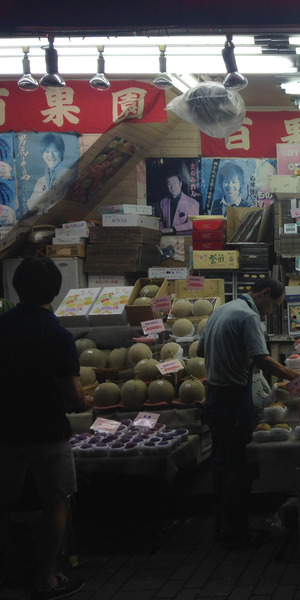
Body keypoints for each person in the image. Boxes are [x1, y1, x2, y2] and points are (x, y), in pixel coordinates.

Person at [196, 278, 300, 548]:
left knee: (221, 463)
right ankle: (235, 531)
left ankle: (222, 524)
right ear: (264, 294)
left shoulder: (221, 311)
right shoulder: (249, 316)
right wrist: (298, 377)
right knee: (238, 466)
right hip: (232, 399)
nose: (271, 312)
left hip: (214, 397)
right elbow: (262, 360)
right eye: (274, 305)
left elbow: (200, 350)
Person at [0, 257, 90, 600]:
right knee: (55, 502)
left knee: (4, 503)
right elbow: (73, 395)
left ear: (16, 288)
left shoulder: (1, 326)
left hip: (4, 432)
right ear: (56, 290)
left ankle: (8, 571)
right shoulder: (56, 334)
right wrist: (84, 403)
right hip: (46, 433)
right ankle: (46, 579)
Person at [27, 133, 68, 214]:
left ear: (62, 152)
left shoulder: (69, 175)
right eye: (47, 151)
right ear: (42, 155)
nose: (51, 155)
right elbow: (31, 204)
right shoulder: (41, 180)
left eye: (55, 151)